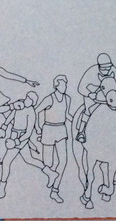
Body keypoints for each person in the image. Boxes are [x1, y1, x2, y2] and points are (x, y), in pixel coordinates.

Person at [0, 92, 58, 201]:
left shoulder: (31, 112)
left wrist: (16, 142)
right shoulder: (20, 104)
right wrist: (4, 126)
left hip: (21, 138)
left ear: (33, 103)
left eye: (30, 100)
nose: (27, 100)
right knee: (29, 159)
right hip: (13, 134)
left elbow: (28, 133)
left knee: (6, 161)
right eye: (27, 98)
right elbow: (12, 115)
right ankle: (50, 172)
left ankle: (1, 190)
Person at [35, 75, 73, 203]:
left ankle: (55, 190)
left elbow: (67, 115)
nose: (65, 87)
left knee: (63, 161)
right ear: (56, 85)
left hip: (61, 129)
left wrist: (77, 122)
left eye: (66, 84)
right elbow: (36, 110)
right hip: (48, 129)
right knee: (48, 163)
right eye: (62, 84)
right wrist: (38, 128)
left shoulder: (67, 98)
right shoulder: (49, 98)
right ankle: (51, 176)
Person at [76, 53, 116, 143]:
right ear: (99, 66)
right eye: (104, 68)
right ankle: (81, 132)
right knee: (88, 110)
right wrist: (90, 94)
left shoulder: (114, 71)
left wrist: (113, 95)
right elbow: (81, 88)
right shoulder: (91, 71)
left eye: (108, 68)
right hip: (93, 97)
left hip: (109, 97)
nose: (106, 71)